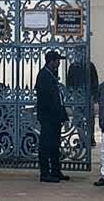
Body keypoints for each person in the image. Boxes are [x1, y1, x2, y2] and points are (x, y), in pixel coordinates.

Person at [36, 50, 70, 183]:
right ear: (52, 61)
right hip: (48, 117)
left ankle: (56, 171)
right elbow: (46, 99)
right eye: (58, 60)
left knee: (55, 145)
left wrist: (61, 114)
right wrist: (53, 114)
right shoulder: (44, 75)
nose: (59, 63)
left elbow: (57, 98)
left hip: (54, 117)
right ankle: (45, 174)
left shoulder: (51, 74)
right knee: (46, 145)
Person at [67, 60, 99, 147]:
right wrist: (70, 97)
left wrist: (95, 96)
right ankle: (82, 139)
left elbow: (95, 81)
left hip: (88, 96)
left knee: (90, 119)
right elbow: (69, 82)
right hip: (77, 96)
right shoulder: (73, 66)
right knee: (78, 119)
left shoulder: (90, 65)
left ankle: (90, 138)